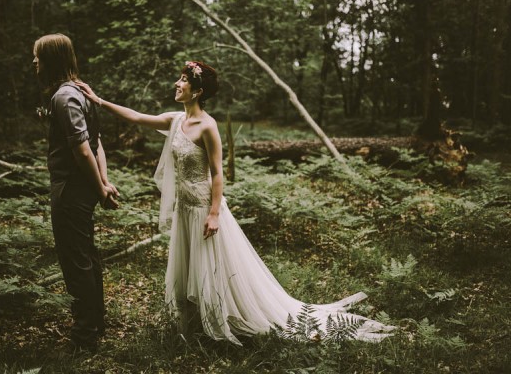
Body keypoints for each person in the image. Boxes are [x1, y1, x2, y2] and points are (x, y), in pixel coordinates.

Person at [76, 61, 396, 345]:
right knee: (189, 269)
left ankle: (222, 320)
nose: (177, 83)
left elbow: (217, 174)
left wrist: (214, 213)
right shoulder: (174, 120)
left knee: (212, 268)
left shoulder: (208, 126)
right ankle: (197, 323)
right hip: (184, 209)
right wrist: (98, 100)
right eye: (179, 78)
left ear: (197, 91)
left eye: (183, 80)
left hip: (203, 209)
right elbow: (136, 117)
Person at [33, 33, 120, 352]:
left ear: (52, 59)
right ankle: (95, 322)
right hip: (81, 185)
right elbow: (97, 144)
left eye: (38, 56)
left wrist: (101, 187)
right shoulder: (79, 91)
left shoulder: (64, 97)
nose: (34, 62)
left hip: (70, 187)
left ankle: (84, 337)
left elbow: (84, 150)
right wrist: (104, 183)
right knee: (85, 254)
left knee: (75, 259)